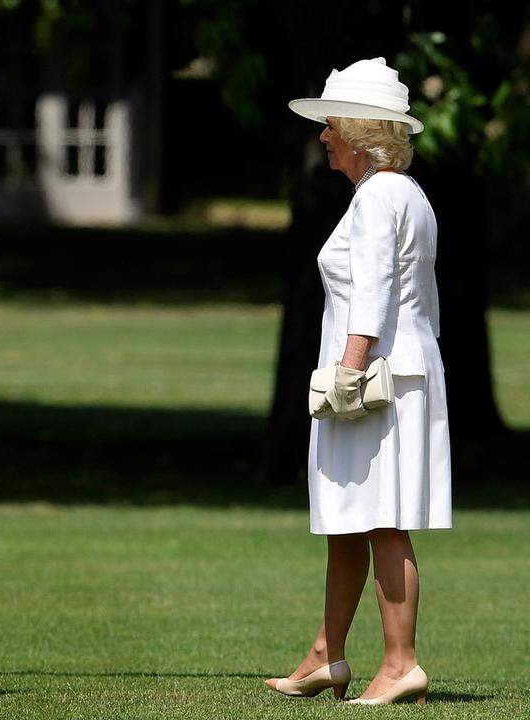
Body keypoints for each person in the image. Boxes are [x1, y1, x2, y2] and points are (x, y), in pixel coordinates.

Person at [267, 57, 451, 705]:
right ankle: (327, 654)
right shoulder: (402, 193)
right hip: (391, 373)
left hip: (376, 379)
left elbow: (373, 291)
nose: (323, 136)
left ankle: (401, 664)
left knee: (383, 521)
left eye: (330, 125)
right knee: (348, 518)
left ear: (358, 130)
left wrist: (348, 369)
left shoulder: (379, 196)